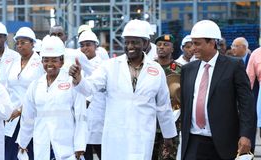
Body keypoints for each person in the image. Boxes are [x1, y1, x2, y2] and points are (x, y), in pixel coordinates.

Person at [69, 19, 177, 160]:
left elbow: (163, 105)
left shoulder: (155, 69)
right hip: (116, 135)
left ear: (145, 43)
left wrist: (169, 135)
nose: (129, 46)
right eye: (127, 42)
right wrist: (78, 79)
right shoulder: (110, 66)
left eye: (135, 42)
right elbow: (89, 88)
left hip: (142, 134)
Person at [180, 20, 255, 160]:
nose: (192, 48)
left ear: (212, 43)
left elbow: (247, 104)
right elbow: (186, 105)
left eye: (197, 43)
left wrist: (246, 135)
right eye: (191, 44)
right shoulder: (187, 70)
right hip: (193, 142)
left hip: (224, 143)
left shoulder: (234, 66)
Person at [17, 36, 86, 160]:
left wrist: (80, 145)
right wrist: (23, 141)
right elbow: (28, 116)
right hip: (42, 143)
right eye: (46, 60)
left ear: (62, 61)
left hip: (66, 145)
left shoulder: (72, 82)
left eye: (54, 60)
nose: (49, 64)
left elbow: (81, 115)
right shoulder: (35, 86)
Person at [5, 27, 44, 160]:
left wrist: (21, 110)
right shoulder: (14, 62)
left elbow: (40, 92)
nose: (20, 46)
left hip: (31, 115)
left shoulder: (39, 63)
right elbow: (8, 88)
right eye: (18, 43)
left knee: (30, 152)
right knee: (10, 153)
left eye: (23, 42)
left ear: (32, 43)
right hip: (12, 116)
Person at [153, 34, 181, 160]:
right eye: (159, 45)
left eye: (165, 45)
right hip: (150, 121)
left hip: (172, 121)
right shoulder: (148, 67)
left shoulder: (180, 69)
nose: (161, 47)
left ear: (172, 49)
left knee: (168, 157)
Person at [78, 30, 105, 160]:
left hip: (98, 113)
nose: (84, 48)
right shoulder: (78, 64)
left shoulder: (102, 65)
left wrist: (88, 100)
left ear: (96, 46)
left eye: (88, 44)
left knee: (101, 150)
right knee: (84, 150)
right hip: (82, 114)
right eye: (82, 45)